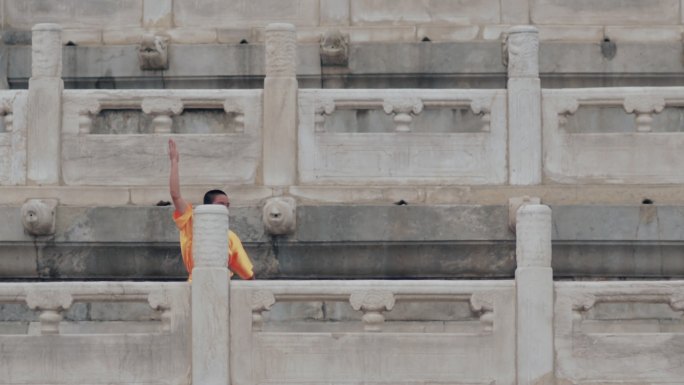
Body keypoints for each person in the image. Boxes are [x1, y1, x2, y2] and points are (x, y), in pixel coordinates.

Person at [168, 138, 254, 281]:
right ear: (208, 206)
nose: (225, 209)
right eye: (221, 204)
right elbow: (175, 195)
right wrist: (174, 163)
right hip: (195, 283)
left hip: (222, 284)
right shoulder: (191, 222)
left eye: (227, 205)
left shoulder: (230, 236)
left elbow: (248, 275)